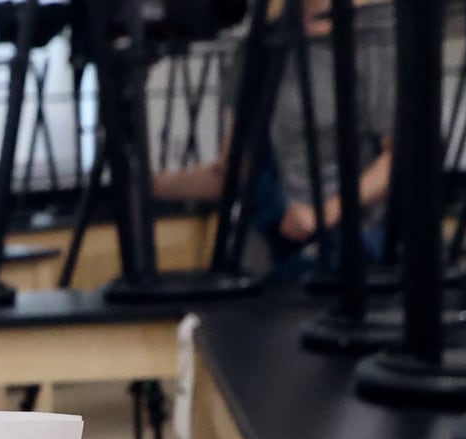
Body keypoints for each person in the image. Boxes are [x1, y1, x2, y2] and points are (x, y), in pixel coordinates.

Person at [157, 0, 395, 280]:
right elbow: (234, 169)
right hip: (282, 241)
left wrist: (326, 212)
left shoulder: (372, 34)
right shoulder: (260, 48)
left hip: (360, 241)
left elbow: (401, 156)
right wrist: (151, 186)